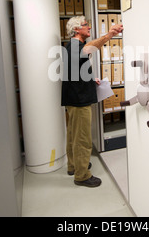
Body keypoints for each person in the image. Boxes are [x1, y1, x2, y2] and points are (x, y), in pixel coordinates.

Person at [61, 16, 123, 187]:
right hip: (79, 99)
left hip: (73, 97)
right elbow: (91, 48)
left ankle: (74, 166)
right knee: (83, 138)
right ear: (76, 30)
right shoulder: (75, 46)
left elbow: (76, 70)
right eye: (85, 25)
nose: (88, 27)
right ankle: (81, 175)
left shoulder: (71, 47)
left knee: (73, 134)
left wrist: (90, 79)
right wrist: (109, 34)